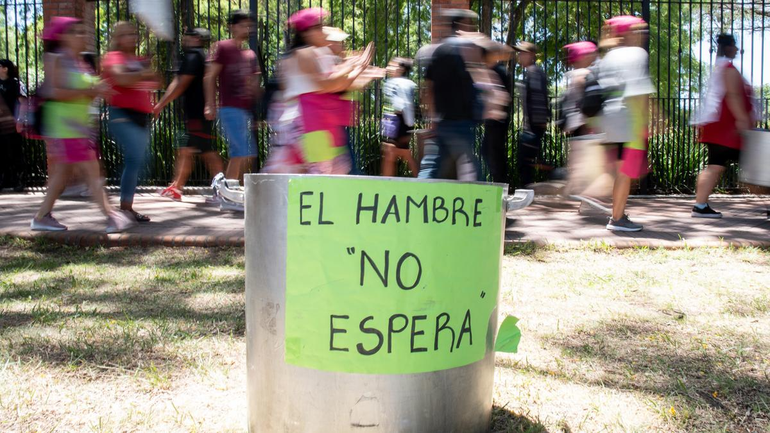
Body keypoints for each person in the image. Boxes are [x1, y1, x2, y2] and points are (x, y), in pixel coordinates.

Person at [30, 17, 133, 233]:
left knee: (63, 174)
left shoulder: (78, 61)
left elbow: (86, 93)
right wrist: (90, 91)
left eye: (81, 31)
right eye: (75, 32)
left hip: (80, 127)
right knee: (91, 171)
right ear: (62, 37)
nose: (81, 35)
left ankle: (41, 217)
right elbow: (55, 92)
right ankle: (111, 216)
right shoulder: (55, 58)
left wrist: (100, 89)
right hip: (65, 127)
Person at [261, 7, 372, 174]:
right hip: (304, 122)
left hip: (314, 121)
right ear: (305, 33)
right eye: (318, 27)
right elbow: (326, 84)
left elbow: (336, 85)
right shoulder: (303, 53)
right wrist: (353, 66)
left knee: (322, 172)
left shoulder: (315, 53)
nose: (323, 31)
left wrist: (357, 69)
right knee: (321, 173)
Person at [599, 16, 655, 232]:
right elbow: (639, 92)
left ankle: (617, 213)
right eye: (639, 30)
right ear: (628, 32)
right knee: (627, 173)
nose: (642, 34)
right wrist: (646, 123)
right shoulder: (637, 54)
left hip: (609, 122)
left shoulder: (608, 56)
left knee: (622, 172)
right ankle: (617, 218)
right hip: (630, 121)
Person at [691, 34, 755, 218]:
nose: (737, 49)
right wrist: (743, 120)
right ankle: (700, 206)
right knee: (755, 166)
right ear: (728, 48)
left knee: (714, 165)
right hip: (729, 129)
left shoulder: (720, 68)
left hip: (718, 127)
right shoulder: (728, 69)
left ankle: (700, 206)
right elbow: (733, 96)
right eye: (734, 46)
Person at [155, 28, 224, 201]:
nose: (184, 40)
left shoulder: (193, 56)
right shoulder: (202, 57)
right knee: (185, 150)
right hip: (195, 115)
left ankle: (224, 188)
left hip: (196, 115)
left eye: (187, 37)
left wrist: (161, 104)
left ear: (195, 39)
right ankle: (177, 187)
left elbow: (180, 84)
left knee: (207, 152)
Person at [103, 21, 160, 223]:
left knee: (136, 161)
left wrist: (144, 73)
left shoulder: (137, 59)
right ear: (118, 38)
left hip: (141, 117)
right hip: (122, 116)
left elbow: (156, 81)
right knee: (137, 159)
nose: (133, 37)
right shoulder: (113, 57)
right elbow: (122, 79)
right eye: (127, 34)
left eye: (134, 33)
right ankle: (122, 208)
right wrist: (143, 72)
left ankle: (126, 207)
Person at [418, 8, 481, 181]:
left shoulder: (438, 51)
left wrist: (432, 118)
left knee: (432, 165)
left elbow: (428, 88)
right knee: (472, 167)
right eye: (469, 24)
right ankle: (481, 201)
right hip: (461, 121)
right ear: (461, 25)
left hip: (443, 121)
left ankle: (418, 194)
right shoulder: (465, 51)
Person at [204, 10, 261, 182]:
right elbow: (210, 76)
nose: (247, 29)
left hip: (245, 110)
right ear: (232, 27)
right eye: (242, 25)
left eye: (249, 25)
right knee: (240, 152)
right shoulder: (222, 47)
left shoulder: (250, 54)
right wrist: (209, 103)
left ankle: (235, 190)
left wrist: (259, 112)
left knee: (249, 153)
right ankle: (227, 192)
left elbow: (254, 86)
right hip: (229, 108)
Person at [514, 41, 550, 187]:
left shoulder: (534, 72)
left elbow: (538, 98)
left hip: (533, 127)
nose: (519, 56)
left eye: (522, 53)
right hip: (533, 126)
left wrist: (537, 125)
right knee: (527, 162)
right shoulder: (533, 72)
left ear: (530, 55)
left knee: (525, 163)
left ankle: (528, 191)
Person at [479, 43, 513, 185]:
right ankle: (500, 183)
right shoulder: (496, 69)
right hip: (495, 120)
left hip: (497, 120)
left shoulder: (497, 71)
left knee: (493, 154)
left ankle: (501, 185)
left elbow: (503, 96)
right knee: (488, 152)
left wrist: (491, 111)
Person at [381, 57, 418, 177]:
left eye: (393, 65)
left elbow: (404, 105)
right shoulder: (396, 82)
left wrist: (407, 124)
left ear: (401, 69)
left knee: (394, 154)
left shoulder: (401, 83)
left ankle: (388, 184)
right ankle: (420, 180)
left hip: (398, 122)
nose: (389, 68)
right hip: (395, 123)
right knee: (394, 154)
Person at [0, 59, 25, 192]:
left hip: (12, 123)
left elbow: (22, 101)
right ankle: (3, 180)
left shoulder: (15, 83)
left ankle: (18, 180)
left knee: (14, 151)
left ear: (5, 69)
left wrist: (20, 119)